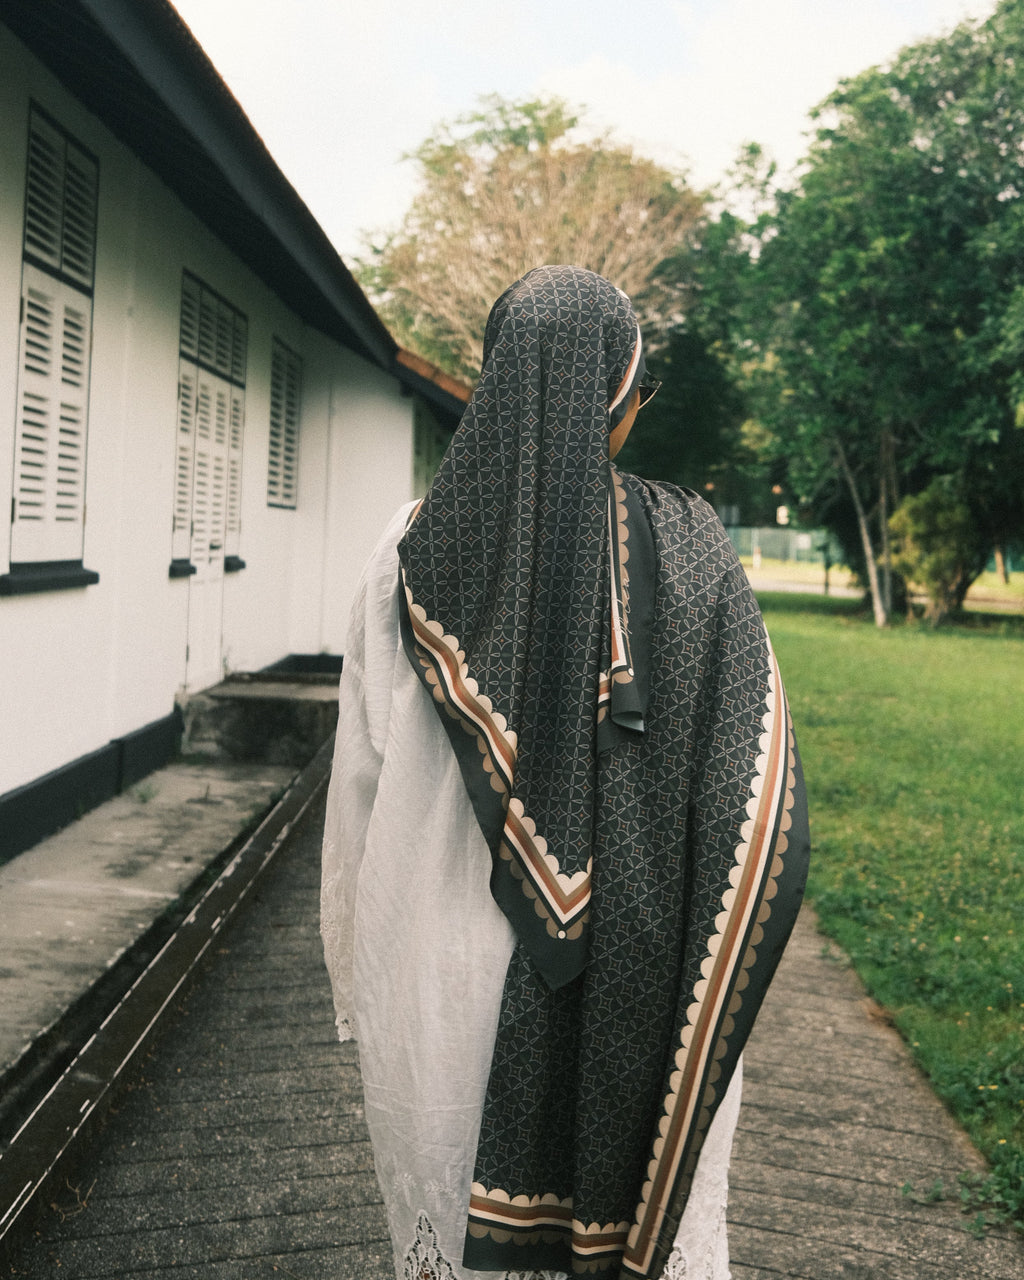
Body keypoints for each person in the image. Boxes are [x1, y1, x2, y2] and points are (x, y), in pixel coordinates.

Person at [321, 265, 810, 1280]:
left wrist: (350, 974)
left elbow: (358, 785)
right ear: (620, 398)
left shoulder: (408, 545)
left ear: (497, 384)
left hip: (437, 981)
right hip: (645, 983)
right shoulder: (693, 547)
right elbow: (750, 795)